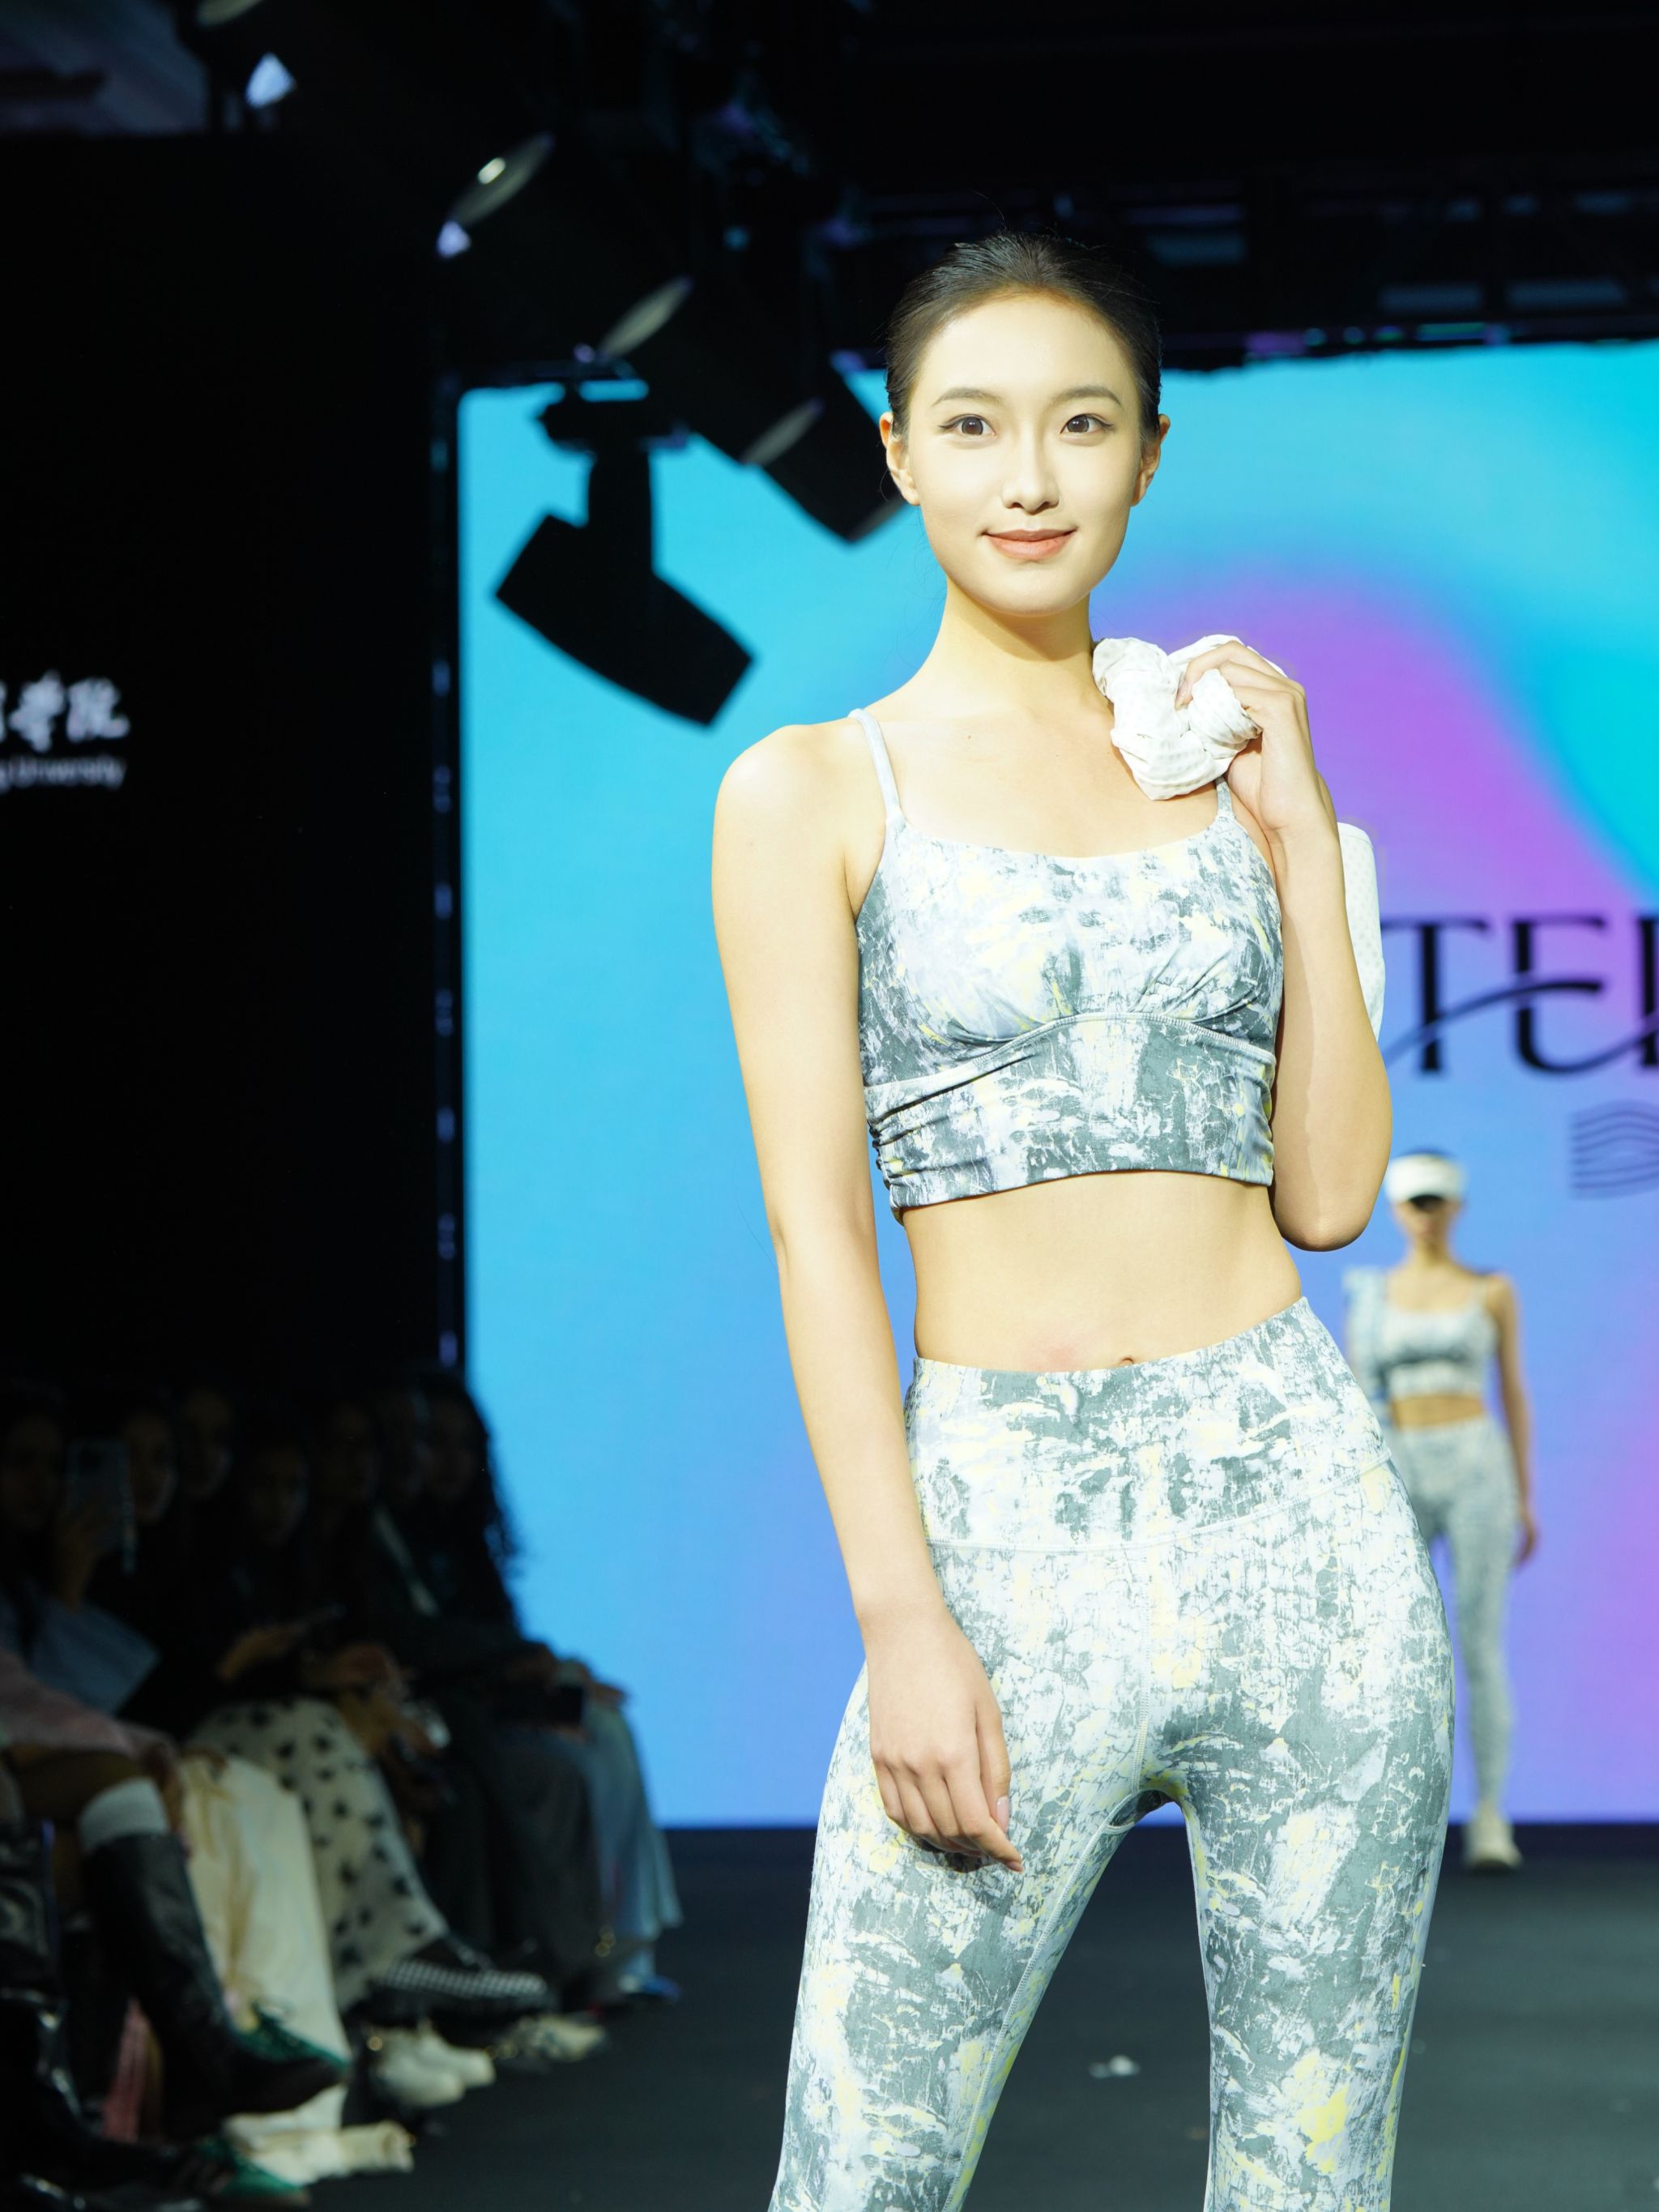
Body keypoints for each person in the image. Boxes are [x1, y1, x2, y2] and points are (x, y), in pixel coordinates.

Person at [711, 229, 1454, 2209]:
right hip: (996, 1538)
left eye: (1078, 425)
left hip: (1299, 1523)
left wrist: (1297, 837)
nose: (1026, 477)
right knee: (857, 2175)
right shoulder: (811, 790)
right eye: (970, 427)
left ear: (1145, 453)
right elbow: (813, 1231)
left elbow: (1324, 1196)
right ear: (895, 453)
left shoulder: (1233, 781)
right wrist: (900, 1618)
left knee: (1309, 2180)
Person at [1344, 1148, 1537, 1873]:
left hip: (1477, 1465)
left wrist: (1525, 1495)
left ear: (1456, 1206)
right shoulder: (1370, 1291)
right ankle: (1393, 1814)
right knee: (1394, 1648)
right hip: (1399, 1464)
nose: (1425, 1215)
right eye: (1413, 1202)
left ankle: (1490, 1813)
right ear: (1396, 1209)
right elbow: (1358, 1395)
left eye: (1435, 1201)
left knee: (1480, 1643)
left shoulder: (1490, 1289)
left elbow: (1512, 1390)